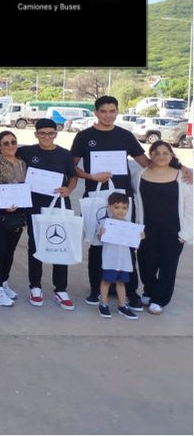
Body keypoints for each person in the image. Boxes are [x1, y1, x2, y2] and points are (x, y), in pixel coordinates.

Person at [71, 95, 192, 310]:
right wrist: (90, 177)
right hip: (96, 197)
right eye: (103, 111)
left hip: (123, 199)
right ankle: (97, 289)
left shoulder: (125, 135)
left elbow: (147, 162)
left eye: (112, 111)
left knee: (127, 244)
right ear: (96, 113)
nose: (108, 116)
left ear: (117, 112)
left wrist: (179, 166)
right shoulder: (84, 136)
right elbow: (71, 167)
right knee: (98, 243)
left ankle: (130, 291)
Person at [17, 118, 78, 310]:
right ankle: (35, 287)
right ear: (36, 134)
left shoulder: (65, 154)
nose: (46, 137)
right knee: (35, 245)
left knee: (59, 245)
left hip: (58, 204)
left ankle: (61, 289)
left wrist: (69, 189)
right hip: (33, 205)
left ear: (55, 134)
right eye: (42, 133)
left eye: (50, 133)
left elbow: (73, 176)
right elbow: (5, 156)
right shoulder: (26, 152)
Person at [132, 141, 193, 314]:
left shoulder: (183, 177)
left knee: (168, 266)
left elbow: (190, 207)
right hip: (146, 230)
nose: (161, 156)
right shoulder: (139, 175)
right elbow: (135, 203)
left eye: (165, 153)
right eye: (156, 152)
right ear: (150, 155)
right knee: (146, 263)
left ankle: (160, 299)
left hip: (173, 231)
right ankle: (149, 291)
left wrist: (186, 233)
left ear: (172, 155)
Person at [0, 131, 27, 307]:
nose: (10, 146)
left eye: (13, 142)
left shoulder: (22, 162)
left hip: (17, 212)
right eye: (6, 143)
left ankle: (3, 281)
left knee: (10, 251)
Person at [96, 192, 144, 320]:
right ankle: (103, 304)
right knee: (106, 281)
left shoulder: (130, 225)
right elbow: (100, 239)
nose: (120, 211)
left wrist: (140, 236)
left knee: (121, 282)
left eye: (124, 208)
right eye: (116, 207)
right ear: (109, 208)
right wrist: (102, 234)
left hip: (123, 260)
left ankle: (122, 305)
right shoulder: (105, 223)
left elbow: (134, 242)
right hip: (110, 259)